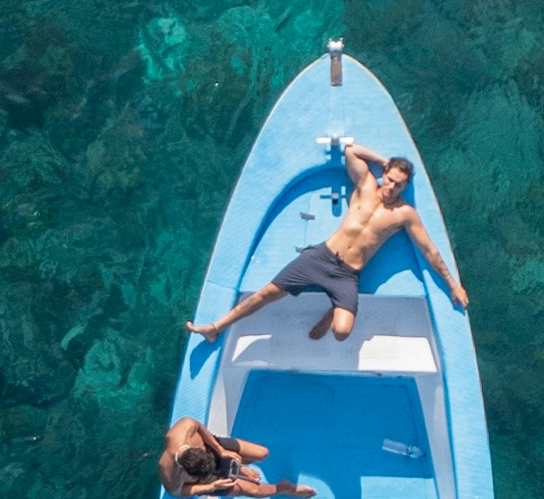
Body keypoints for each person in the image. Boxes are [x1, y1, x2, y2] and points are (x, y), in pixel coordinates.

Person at [190, 139, 470, 347]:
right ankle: (216, 327)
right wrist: (383, 160)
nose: (392, 186)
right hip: (321, 258)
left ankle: (331, 310)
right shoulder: (367, 186)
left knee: (341, 332)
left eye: (399, 184)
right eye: (391, 179)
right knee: (266, 294)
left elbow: (429, 251)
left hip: (347, 275)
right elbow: (351, 151)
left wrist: (453, 285)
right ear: (385, 174)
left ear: (405, 188)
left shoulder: (405, 214)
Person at [159, 417, 311, 499]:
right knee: (253, 490)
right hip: (207, 480)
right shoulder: (169, 472)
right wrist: (211, 487)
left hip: (213, 448)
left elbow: (198, 426)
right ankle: (284, 489)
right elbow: (177, 493)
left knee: (262, 453)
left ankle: (238, 469)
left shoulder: (184, 428)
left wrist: (221, 450)